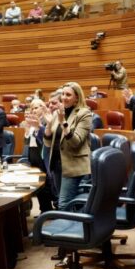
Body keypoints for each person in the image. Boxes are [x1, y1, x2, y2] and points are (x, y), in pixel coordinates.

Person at [43, 82, 91, 211]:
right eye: (63, 94)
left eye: (68, 95)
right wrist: (48, 125)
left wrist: (63, 122)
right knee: (63, 202)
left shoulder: (84, 114)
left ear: (77, 98)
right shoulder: (59, 112)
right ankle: (74, 227)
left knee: (64, 204)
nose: (64, 97)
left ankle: (70, 230)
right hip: (58, 164)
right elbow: (48, 143)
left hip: (73, 165)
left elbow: (76, 142)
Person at [21, 98, 54, 212]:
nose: (34, 110)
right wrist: (26, 132)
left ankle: (47, 210)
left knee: (45, 185)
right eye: (32, 108)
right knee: (38, 185)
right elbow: (27, 142)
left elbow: (46, 139)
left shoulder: (46, 120)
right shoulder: (31, 121)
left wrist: (38, 127)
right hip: (33, 155)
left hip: (43, 156)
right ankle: (42, 209)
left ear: (42, 108)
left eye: (36, 107)